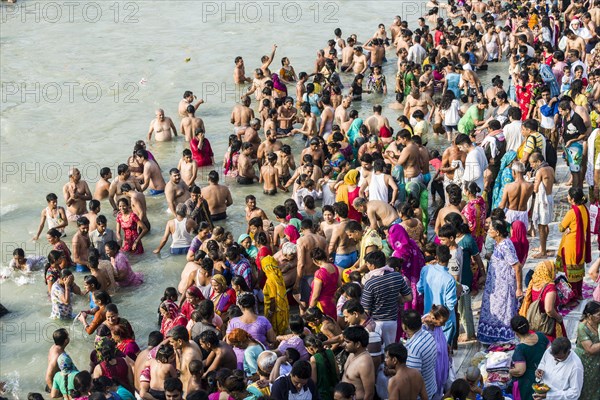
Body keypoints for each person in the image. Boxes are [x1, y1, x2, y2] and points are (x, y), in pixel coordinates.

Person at [478, 220, 522, 345]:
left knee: (503, 311)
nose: (488, 231)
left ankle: (503, 336)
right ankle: (491, 335)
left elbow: (517, 266)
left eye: (491, 229)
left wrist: (519, 288)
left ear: (497, 232)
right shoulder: (499, 244)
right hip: (495, 287)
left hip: (503, 288)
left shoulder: (505, 245)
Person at [361, 250, 412, 347]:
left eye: (367, 264)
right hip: (392, 322)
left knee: (377, 352)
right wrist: (396, 299)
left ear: (373, 266)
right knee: (390, 350)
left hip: (375, 323)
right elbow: (408, 297)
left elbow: (366, 310)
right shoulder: (397, 276)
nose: (367, 266)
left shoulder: (370, 283)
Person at [417, 245, 458, 342]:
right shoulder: (449, 279)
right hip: (444, 321)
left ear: (436, 257)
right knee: (444, 350)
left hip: (429, 318)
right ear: (449, 257)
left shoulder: (425, 270)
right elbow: (450, 305)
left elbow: (419, 288)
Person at [556, 188, 592, 300]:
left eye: (568, 196)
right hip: (581, 244)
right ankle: (579, 294)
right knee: (579, 271)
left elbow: (561, 227)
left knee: (571, 272)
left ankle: (572, 296)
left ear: (572, 200)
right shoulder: (585, 209)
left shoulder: (572, 212)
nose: (567, 197)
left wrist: (567, 228)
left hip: (571, 246)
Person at [519, 260, 566, 340]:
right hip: (547, 325)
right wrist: (559, 318)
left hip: (535, 322)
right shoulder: (550, 287)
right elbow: (549, 310)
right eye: (554, 270)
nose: (555, 273)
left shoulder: (534, 282)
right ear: (548, 271)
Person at [509, 315, 550, 400]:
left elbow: (520, 371)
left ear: (515, 332)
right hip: (545, 377)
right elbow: (551, 353)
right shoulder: (541, 336)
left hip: (528, 384)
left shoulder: (520, 348)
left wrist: (507, 370)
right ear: (529, 325)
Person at [388, 224, 425, 313]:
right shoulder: (412, 243)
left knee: (406, 305)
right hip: (417, 279)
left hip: (404, 282)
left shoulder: (397, 253)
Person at [402, 310, 437, 399]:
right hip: (431, 387)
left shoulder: (414, 350)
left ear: (405, 327)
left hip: (422, 395)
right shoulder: (427, 335)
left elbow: (413, 380)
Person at [530, 152, 555, 258]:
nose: (531, 166)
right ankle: (542, 247)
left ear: (539, 161)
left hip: (542, 201)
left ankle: (543, 252)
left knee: (541, 226)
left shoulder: (540, 171)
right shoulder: (551, 169)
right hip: (549, 198)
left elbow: (535, 189)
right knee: (545, 225)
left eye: (532, 163)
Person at [573, 301, 600, 400]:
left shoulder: (598, 323)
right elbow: (590, 349)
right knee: (587, 385)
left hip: (597, 361)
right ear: (589, 315)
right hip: (586, 362)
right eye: (598, 315)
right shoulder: (582, 328)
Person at [342, 326, 375, 400]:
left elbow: (369, 394)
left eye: (347, 342)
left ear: (357, 344)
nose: (344, 344)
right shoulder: (352, 353)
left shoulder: (364, 363)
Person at [499, 161, 534, 229]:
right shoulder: (530, 186)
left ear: (514, 172)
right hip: (523, 213)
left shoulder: (508, 186)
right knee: (521, 236)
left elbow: (502, 205)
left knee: (511, 236)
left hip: (511, 213)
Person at [309, 248, 342, 320]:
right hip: (333, 301)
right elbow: (339, 285)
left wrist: (310, 309)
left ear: (315, 261)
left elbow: (315, 295)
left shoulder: (319, 273)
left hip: (323, 305)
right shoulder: (334, 267)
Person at [261, 255, 290, 335]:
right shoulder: (278, 275)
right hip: (282, 309)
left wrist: (270, 313)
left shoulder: (270, 280)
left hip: (274, 311)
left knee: (275, 333)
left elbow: (272, 299)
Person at [304, 334, 339, 400]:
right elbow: (337, 372)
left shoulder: (313, 358)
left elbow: (314, 381)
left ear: (310, 348)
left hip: (323, 394)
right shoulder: (330, 352)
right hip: (335, 390)